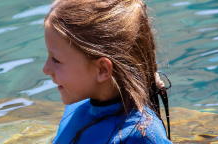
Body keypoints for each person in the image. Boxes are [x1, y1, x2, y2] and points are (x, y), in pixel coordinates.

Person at [41, 0, 173, 143]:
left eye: (56, 60)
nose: (46, 69)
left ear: (103, 69)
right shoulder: (76, 108)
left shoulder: (139, 135)